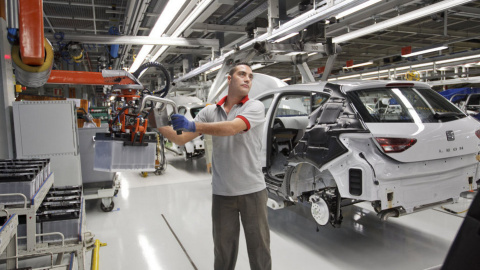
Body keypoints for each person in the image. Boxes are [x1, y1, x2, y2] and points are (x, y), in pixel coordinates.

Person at [157, 62, 271, 270]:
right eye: (242, 74)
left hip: (252, 191)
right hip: (222, 193)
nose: (248, 79)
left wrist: (193, 124)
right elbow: (181, 139)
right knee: (223, 252)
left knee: (259, 251)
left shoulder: (254, 106)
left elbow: (232, 128)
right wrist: (156, 124)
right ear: (229, 79)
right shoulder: (210, 111)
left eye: (251, 76)